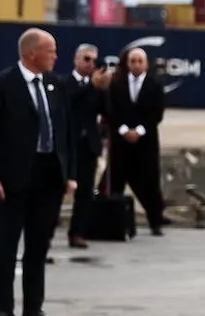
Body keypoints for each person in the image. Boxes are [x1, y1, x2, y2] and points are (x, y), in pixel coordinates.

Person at [0, 28, 77, 316]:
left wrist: (69, 173)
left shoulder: (55, 86)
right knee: (6, 246)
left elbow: (65, 133)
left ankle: (33, 307)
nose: (56, 56)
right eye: (51, 51)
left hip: (48, 177)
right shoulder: (3, 84)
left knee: (38, 245)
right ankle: (3, 309)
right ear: (31, 53)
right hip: (12, 179)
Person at [105, 47, 169, 235]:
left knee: (150, 182)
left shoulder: (154, 84)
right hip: (121, 141)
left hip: (146, 141)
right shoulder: (116, 84)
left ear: (146, 64)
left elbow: (157, 113)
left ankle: (155, 222)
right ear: (127, 63)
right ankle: (113, 223)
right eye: (133, 61)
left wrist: (139, 131)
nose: (136, 65)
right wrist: (124, 130)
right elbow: (111, 110)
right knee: (116, 181)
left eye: (140, 61)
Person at [63, 43, 111, 248]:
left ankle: (78, 232)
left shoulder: (97, 87)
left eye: (93, 60)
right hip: (68, 144)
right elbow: (70, 102)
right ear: (76, 60)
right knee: (58, 189)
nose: (90, 63)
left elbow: (107, 111)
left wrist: (105, 90)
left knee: (85, 193)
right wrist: (91, 86)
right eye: (86, 59)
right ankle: (44, 233)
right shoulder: (64, 83)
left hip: (88, 145)